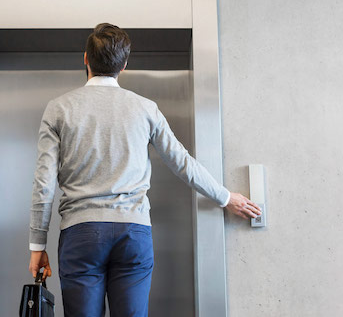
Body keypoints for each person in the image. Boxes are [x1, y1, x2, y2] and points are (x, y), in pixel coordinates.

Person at [28, 23, 262, 317]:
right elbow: (182, 162)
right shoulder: (145, 108)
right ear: (124, 66)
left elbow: (43, 183)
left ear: (85, 58)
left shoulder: (58, 109)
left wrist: (37, 244)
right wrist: (226, 197)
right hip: (133, 232)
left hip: (81, 233)